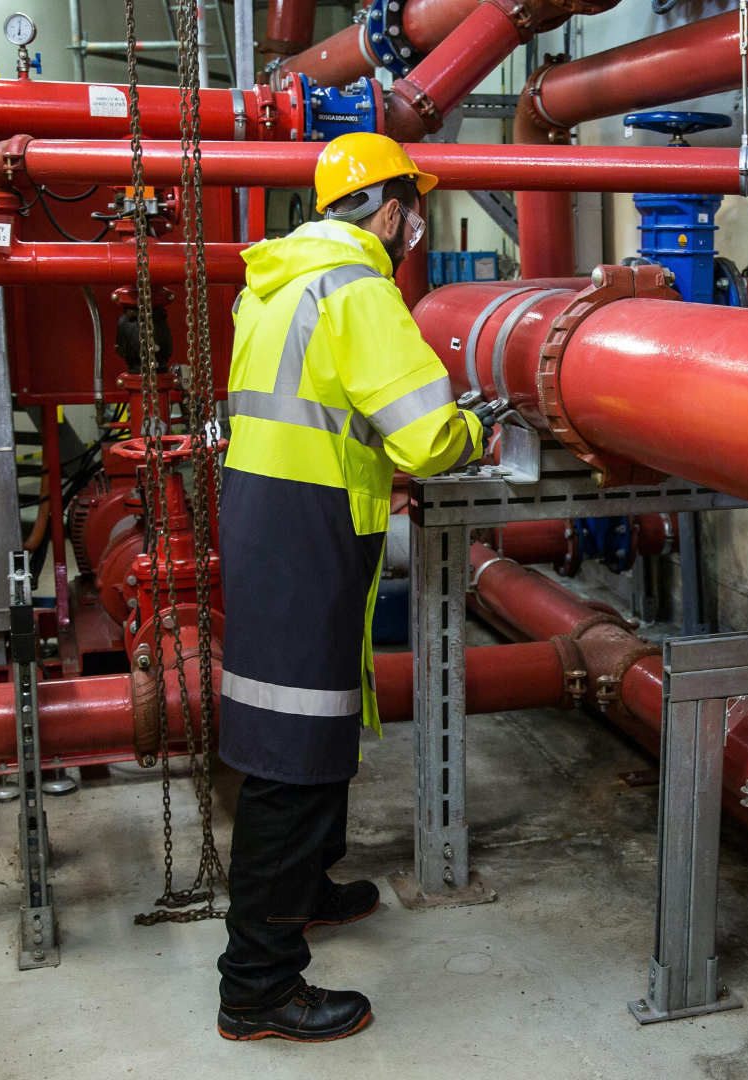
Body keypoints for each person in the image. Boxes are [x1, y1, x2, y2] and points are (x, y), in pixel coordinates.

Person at [213, 132, 485, 1043]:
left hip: (267, 516)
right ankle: (256, 986)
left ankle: (309, 891)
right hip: (309, 527)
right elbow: (424, 438)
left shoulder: (277, 282)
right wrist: (476, 433)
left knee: (314, 722)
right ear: (394, 207)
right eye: (416, 205)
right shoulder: (358, 288)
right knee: (289, 758)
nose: (417, 223)